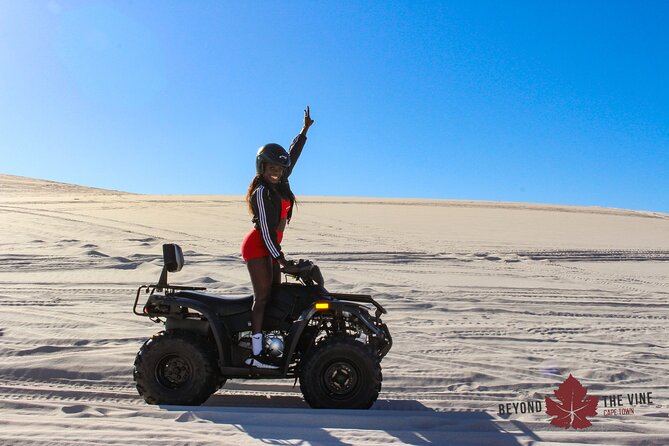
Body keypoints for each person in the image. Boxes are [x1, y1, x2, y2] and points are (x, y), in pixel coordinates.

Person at [241, 106, 314, 368]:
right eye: (271, 167)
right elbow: (265, 229)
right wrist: (280, 260)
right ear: (262, 167)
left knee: (274, 295)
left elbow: (292, 156)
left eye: (279, 168)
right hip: (258, 246)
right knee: (262, 298)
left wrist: (304, 131)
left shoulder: (281, 183)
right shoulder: (261, 192)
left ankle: (271, 345)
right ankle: (256, 354)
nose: (276, 171)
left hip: (271, 247)